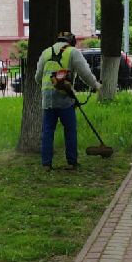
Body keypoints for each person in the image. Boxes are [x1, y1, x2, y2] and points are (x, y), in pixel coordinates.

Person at [35, 30, 101, 170]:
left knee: (47, 131)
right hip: (65, 98)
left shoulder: (46, 52)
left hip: (47, 99)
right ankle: (72, 161)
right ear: (71, 41)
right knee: (70, 129)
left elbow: (37, 77)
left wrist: (47, 88)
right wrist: (95, 85)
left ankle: (46, 164)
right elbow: (85, 73)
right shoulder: (73, 52)